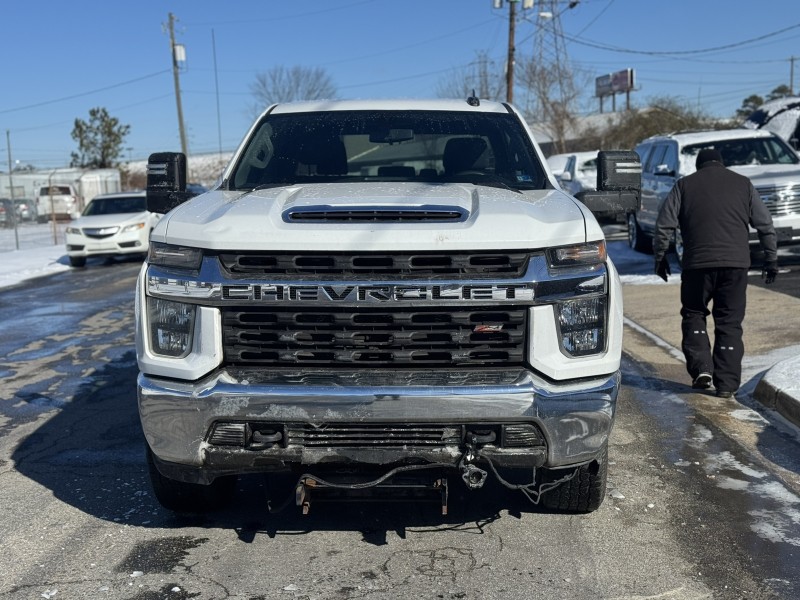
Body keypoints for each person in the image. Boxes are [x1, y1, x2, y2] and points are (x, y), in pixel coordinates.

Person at [653, 148, 778, 398]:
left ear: (699, 166)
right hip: (735, 265)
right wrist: (770, 259)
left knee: (694, 313)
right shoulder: (743, 184)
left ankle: (702, 369)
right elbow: (765, 224)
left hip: (697, 265)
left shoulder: (684, 185)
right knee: (729, 322)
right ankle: (727, 384)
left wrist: (660, 257)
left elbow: (664, 224)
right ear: (721, 164)